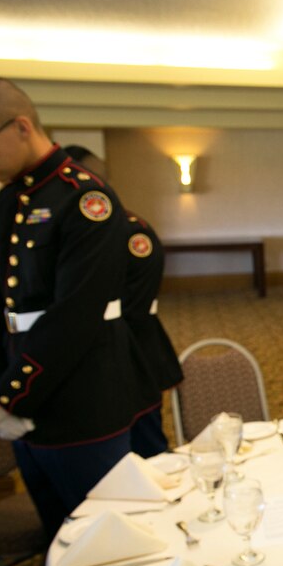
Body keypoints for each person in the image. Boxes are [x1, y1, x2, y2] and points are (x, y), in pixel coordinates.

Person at [0, 75, 156, 542]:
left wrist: (11, 394)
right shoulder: (9, 199)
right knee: (57, 536)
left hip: (82, 403)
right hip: (26, 403)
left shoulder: (86, 199)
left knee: (108, 542)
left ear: (20, 126)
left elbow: (75, 316)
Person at [64, 145, 182, 457]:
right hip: (89, 363)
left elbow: (135, 312)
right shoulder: (72, 235)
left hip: (134, 356)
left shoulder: (131, 233)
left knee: (147, 450)